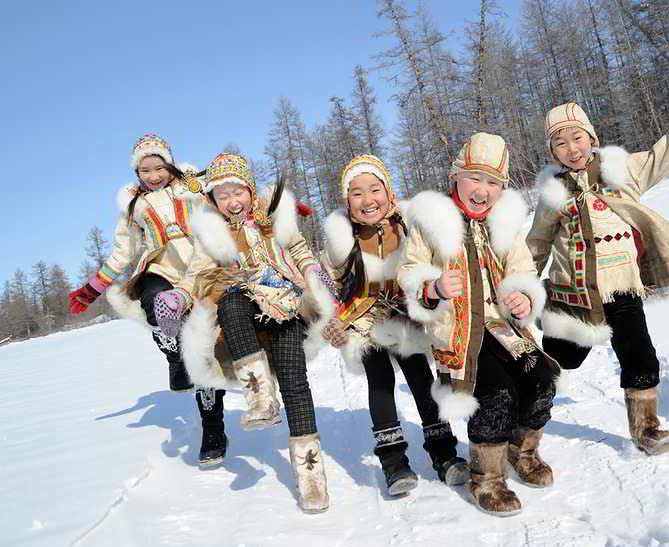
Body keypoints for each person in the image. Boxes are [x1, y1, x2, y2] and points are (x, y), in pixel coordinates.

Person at [528, 82, 669, 455]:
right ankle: (529, 405)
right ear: (552, 151)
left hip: (622, 286)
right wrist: (522, 284)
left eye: (577, 137)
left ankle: (646, 426)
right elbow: (536, 243)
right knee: (563, 358)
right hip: (574, 292)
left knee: (638, 352)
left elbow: (661, 157)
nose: (572, 148)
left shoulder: (622, 171)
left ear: (591, 137)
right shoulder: (553, 194)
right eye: (560, 143)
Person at [397, 134, 559, 516]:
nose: (483, 190)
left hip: (503, 327)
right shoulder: (431, 223)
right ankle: (486, 478)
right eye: (475, 179)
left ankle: (523, 451)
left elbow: (522, 265)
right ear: (456, 179)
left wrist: (523, 293)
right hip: (459, 331)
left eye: (493, 183)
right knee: (496, 392)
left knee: (541, 379)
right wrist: (433, 287)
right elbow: (409, 271)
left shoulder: (504, 224)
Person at [308, 154, 469, 496]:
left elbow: (436, 258)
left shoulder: (409, 223)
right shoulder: (340, 239)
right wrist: (330, 320)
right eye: (357, 193)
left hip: (406, 314)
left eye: (374, 189)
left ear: (389, 191)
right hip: (363, 321)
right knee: (380, 382)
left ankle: (444, 453)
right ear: (346, 200)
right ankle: (394, 461)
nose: (368, 201)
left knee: (421, 379)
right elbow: (324, 285)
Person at [67, 134, 228, 466]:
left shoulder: (194, 186)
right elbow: (123, 251)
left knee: (203, 351)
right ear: (136, 173)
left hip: (202, 270)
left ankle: (213, 428)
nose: (153, 176)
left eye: (158, 167)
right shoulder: (132, 205)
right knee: (156, 305)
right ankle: (172, 351)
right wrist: (93, 288)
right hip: (161, 267)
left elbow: (232, 192)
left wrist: (267, 212)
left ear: (169, 163)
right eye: (145, 171)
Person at [181, 153, 329, 512]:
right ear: (213, 201)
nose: (233, 201)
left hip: (286, 304)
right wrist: (181, 293)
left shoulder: (273, 216)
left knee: (295, 384)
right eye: (223, 195)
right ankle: (259, 396)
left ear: (249, 190)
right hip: (244, 309)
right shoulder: (211, 233)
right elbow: (198, 270)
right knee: (231, 300)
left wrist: (316, 277)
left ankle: (311, 477)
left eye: (238, 192)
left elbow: (298, 248)